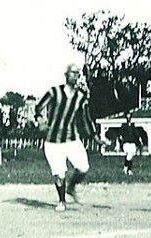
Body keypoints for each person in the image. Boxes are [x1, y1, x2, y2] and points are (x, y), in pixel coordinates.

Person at [34, 63, 110, 212]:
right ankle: (62, 201)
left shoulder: (81, 97)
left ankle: (71, 187)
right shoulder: (54, 92)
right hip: (53, 141)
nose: (75, 76)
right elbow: (38, 108)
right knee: (59, 173)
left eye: (77, 73)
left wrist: (95, 137)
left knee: (83, 167)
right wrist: (41, 120)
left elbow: (86, 119)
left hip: (72, 139)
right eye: (72, 73)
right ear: (66, 75)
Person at [119, 112, 143, 176]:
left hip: (132, 143)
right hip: (126, 143)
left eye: (129, 117)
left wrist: (139, 139)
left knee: (131, 156)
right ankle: (127, 168)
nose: (128, 119)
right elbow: (121, 135)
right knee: (129, 155)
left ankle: (128, 169)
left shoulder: (133, 126)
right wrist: (121, 142)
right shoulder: (124, 126)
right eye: (127, 117)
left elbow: (136, 134)